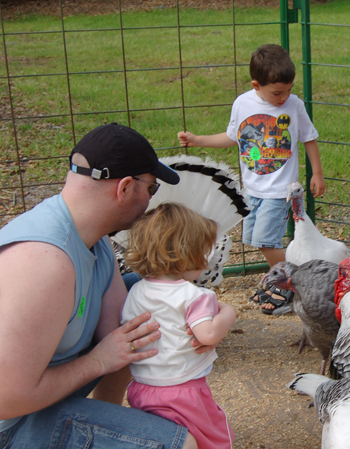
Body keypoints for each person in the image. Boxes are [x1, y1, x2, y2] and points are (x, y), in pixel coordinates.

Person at [0, 122, 201, 448]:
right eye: (151, 189)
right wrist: (97, 362)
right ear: (124, 188)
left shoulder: (94, 240)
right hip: (10, 425)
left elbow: (126, 334)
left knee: (144, 295)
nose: (152, 200)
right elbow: (7, 398)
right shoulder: (45, 263)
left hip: (38, 405)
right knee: (181, 445)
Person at [178, 44, 325, 314]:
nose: (284, 97)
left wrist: (317, 172)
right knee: (255, 239)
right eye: (277, 92)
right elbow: (232, 137)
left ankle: (294, 283)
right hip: (251, 189)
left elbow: (309, 137)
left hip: (279, 190)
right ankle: (285, 279)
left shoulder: (294, 106)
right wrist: (198, 140)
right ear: (256, 85)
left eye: (289, 90)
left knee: (267, 241)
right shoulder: (242, 104)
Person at [123, 202, 237, 448]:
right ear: (188, 252)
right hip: (183, 391)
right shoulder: (193, 295)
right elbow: (207, 334)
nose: (207, 259)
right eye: (204, 251)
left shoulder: (136, 291)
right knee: (213, 440)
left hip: (141, 387)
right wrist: (229, 311)